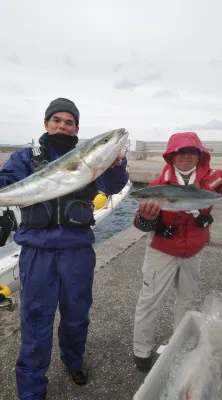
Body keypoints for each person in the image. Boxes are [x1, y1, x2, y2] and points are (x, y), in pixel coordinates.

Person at [0, 98, 129, 399]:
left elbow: (113, 185)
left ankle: (73, 360)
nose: (62, 125)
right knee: (35, 320)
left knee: (76, 315)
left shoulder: (89, 159)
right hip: (37, 252)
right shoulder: (26, 158)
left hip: (77, 251)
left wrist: (116, 162)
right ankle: (31, 390)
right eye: (56, 119)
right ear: (46, 124)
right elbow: (5, 181)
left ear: (77, 129)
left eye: (69, 122)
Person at [133, 131, 222, 372]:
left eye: (191, 151)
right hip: (161, 250)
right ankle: (142, 350)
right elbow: (140, 225)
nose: (186, 156)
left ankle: (178, 345)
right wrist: (146, 216)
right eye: (180, 152)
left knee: (186, 300)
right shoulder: (157, 186)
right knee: (149, 301)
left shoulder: (213, 181)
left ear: (199, 155)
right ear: (171, 157)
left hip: (193, 251)